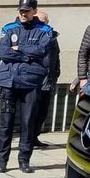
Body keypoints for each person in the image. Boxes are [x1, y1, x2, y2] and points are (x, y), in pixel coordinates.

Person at [0, 0, 55, 174]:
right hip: (8, 82)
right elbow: (4, 53)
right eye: (21, 10)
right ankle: (2, 160)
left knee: (28, 123)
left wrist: (19, 49)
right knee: (6, 124)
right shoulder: (8, 28)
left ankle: (24, 160)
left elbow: (42, 51)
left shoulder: (45, 30)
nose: (23, 13)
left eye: (27, 10)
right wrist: (27, 56)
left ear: (34, 11)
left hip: (30, 82)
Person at [30, 11, 60, 148]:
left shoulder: (52, 38)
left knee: (42, 112)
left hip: (48, 81)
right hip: (34, 81)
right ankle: (27, 138)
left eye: (44, 22)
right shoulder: (32, 36)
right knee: (31, 112)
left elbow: (56, 58)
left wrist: (56, 74)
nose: (42, 24)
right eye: (39, 22)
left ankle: (34, 136)